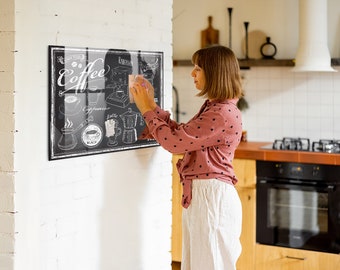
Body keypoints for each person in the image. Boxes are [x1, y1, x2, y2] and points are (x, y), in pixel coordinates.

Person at [130, 45, 243, 270]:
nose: (193, 73)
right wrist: (151, 106)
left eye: (198, 68)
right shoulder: (215, 108)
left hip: (211, 199)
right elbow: (182, 135)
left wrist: (146, 110)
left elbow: (175, 143)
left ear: (214, 72)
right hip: (205, 196)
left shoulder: (221, 113)